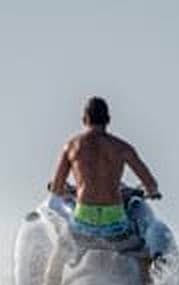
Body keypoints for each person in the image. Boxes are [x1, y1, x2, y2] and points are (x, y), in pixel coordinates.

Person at [49, 96, 160, 239]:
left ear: (84, 119)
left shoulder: (71, 146)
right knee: (141, 246)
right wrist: (151, 192)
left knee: (62, 246)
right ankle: (153, 260)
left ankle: (54, 262)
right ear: (108, 120)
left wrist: (66, 189)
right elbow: (151, 184)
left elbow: (57, 189)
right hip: (114, 221)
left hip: (84, 219)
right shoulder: (123, 147)